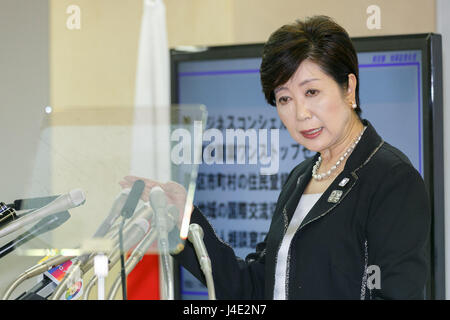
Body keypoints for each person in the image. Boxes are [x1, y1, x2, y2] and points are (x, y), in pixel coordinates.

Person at [120, 15, 430, 300]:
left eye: (311, 92)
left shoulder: (391, 179)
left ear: (348, 88)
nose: (300, 114)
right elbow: (254, 287)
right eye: (284, 99)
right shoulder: (301, 177)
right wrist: (186, 221)